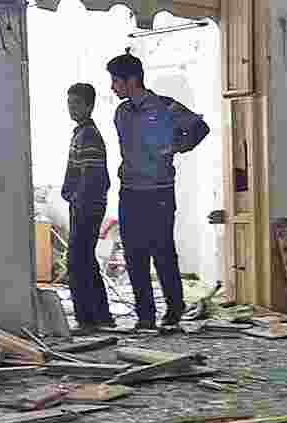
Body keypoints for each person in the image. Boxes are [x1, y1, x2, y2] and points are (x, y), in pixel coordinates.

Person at [106, 50, 210, 330]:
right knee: (134, 253)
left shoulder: (166, 106)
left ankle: (174, 308)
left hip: (159, 191)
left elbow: (200, 128)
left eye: (116, 81)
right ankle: (145, 316)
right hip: (130, 191)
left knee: (162, 250)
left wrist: (177, 146)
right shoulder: (122, 112)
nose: (112, 87)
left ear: (132, 80)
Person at [61, 82, 114, 333]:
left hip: (87, 206)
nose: (72, 108)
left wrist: (78, 201)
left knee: (77, 261)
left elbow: (92, 177)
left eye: (77, 103)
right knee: (85, 261)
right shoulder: (80, 132)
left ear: (90, 106)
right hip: (83, 204)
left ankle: (87, 320)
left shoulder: (89, 135)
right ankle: (101, 316)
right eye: (69, 103)